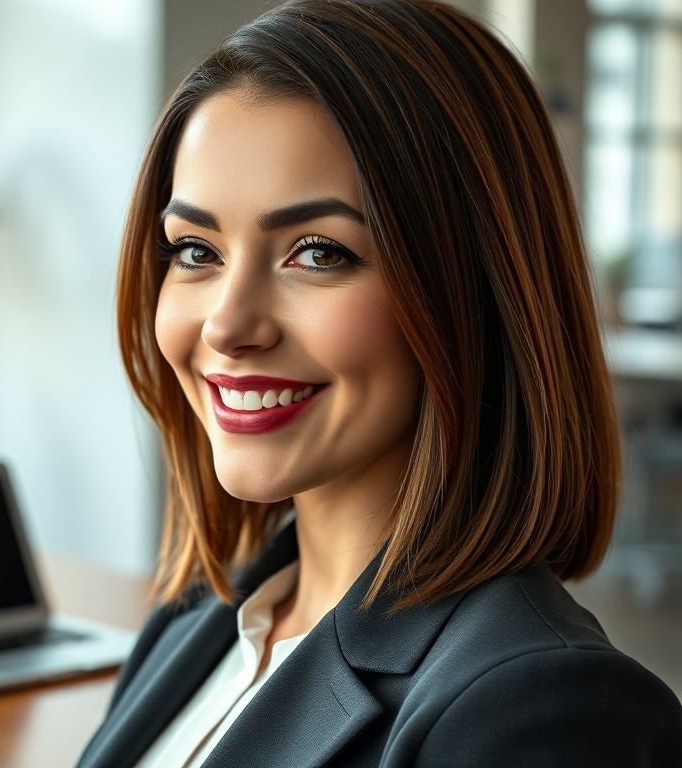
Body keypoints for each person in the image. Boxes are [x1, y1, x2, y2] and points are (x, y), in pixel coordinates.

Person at [75, 1, 682, 766]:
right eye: (196, 250)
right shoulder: (197, 621)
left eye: (320, 252)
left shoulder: (550, 712)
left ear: (476, 289)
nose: (228, 326)